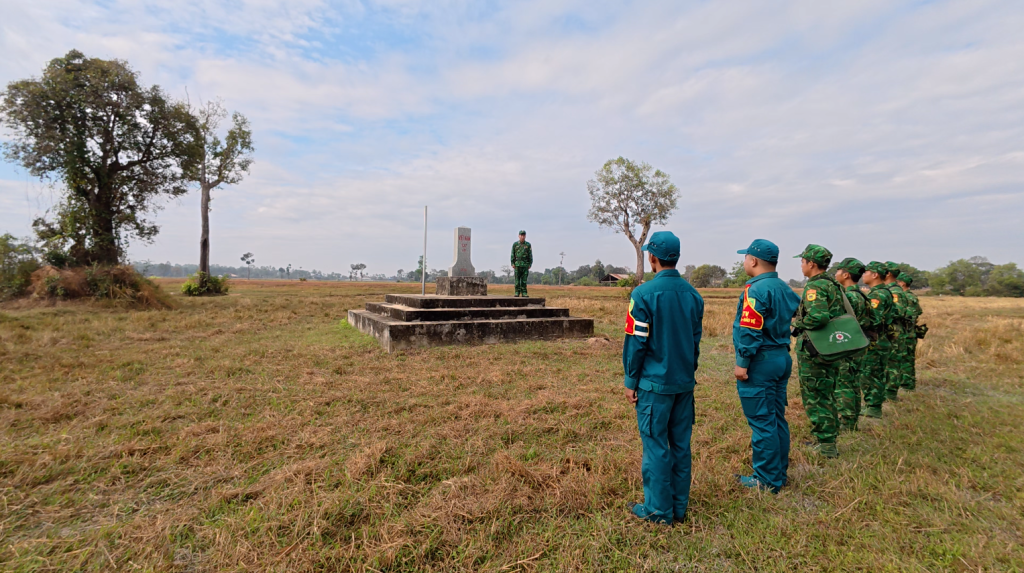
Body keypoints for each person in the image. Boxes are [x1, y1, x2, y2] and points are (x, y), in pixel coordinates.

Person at [623, 231, 704, 525]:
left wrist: (631, 381)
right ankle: (679, 507)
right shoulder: (694, 295)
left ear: (652, 258)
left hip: (654, 386)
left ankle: (658, 511)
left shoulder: (642, 295)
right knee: (681, 445)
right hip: (683, 383)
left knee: (656, 446)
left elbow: (636, 343)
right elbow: (695, 342)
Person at [731, 239, 801, 492]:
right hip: (781, 357)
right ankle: (779, 472)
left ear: (753, 261)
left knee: (762, 421)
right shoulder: (784, 288)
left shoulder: (755, 290)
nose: (744, 262)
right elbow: (799, 314)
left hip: (760, 361)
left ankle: (767, 479)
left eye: (745, 257)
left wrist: (742, 362)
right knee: (775, 416)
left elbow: (750, 330)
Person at [792, 244, 843, 459]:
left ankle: (826, 445)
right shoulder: (833, 285)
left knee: (816, 397)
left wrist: (798, 322)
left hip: (816, 351)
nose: (801, 265)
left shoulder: (815, 287)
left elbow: (818, 317)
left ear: (811, 264)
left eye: (803, 261)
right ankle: (827, 439)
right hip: (830, 348)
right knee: (826, 394)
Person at [832, 258, 871, 432]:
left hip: (847, 345)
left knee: (844, 384)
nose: (836, 274)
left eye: (838, 271)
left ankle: (847, 422)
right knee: (853, 382)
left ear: (846, 275)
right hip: (858, 344)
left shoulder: (847, 296)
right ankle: (852, 418)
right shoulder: (862, 295)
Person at [861, 262, 895, 419]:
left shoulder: (878, 295)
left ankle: (873, 407)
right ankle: (873, 405)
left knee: (871, 374)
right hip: (881, 340)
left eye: (866, 272)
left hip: (876, 341)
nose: (863, 274)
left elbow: (873, 319)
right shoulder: (882, 292)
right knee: (875, 373)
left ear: (875, 275)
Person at [883, 262, 910, 402]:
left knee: (892, 363)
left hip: (893, 332)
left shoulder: (895, 291)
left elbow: (898, 312)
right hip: (887, 332)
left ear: (888, 274)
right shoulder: (887, 289)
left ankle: (890, 393)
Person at [897, 272, 923, 391]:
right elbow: (918, 312)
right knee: (907, 359)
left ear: (902, 283)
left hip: (906, 333)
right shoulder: (912, 296)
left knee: (905, 359)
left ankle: (907, 385)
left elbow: (911, 315)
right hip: (910, 332)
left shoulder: (905, 297)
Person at [510, 230, 533, 297]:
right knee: (517, 280)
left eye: (523, 235)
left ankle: (524, 292)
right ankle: (517, 292)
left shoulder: (528, 245)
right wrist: (512, 263)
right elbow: (512, 254)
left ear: (525, 236)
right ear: (519, 236)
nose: (522, 237)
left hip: (525, 264)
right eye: (521, 235)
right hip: (517, 264)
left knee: (524, 280)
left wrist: (530, 264)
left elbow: (530, 255)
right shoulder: (515, 244)